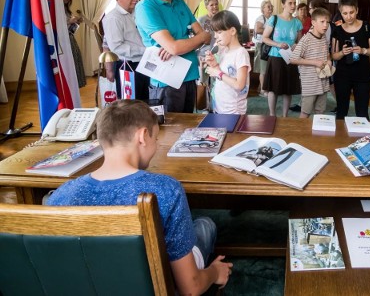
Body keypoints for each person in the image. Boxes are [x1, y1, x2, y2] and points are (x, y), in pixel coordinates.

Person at [46, 99, 233, 294]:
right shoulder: (166, 189)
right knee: (205, 225)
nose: (156, 144)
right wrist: (214, 272)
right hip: (153, 287)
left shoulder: (59, 197)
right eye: (156, 138)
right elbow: (190, 289)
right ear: (143, 136)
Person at [135, 0, 211, 113]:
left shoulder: (180, 2)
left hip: (190, 74)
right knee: (169, 132)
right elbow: (175, 47)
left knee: (187, 128)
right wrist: (192, 40)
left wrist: (187, 42)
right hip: (165, 80)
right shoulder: (146, 7)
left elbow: (206, 36)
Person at [330, 0, 370, 120]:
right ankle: (339, 138)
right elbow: (333, 55)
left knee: (362, 113)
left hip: (363, 75)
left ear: (357, 10)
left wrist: (363, 50)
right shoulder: (337, 30)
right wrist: (342, 52)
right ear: (341, 13)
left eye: (351, 12)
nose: (349, 16)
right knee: (341, 111)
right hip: (342, 75)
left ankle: (364, 138)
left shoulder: (367, 26)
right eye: (345, 13)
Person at [102, 0, 150, 101]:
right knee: (130, 105)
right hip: (128, 67)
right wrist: (145, 50)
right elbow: (116, 47)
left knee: (146, 102)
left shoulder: (137, 13)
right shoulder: (113, 18)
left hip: (144, 63)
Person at [262, 0, 303, 117]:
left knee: (288, 89)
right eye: (290, 3)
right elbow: (264, 38)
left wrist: (297, 45)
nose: (293, 5)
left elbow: (300, 42)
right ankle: (272, 115)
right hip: (275, 57)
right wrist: (278, 44)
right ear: (283, 4)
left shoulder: (297, 22)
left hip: (290, 58)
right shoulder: (274, 19)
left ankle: (285, 116)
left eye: (294, 3)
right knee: (273, 89)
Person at [203, 11, 251, 114]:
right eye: (215, 32)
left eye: (219, 32)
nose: (215, 36)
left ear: (232, 31)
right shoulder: (224, 51)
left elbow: (239, 85)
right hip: (221, 106)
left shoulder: (241, 53)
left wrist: (218, 73)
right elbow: (224, 75)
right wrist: (214, 65)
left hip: (234, 110)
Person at [290, 7, 332, 118]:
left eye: (327, 22)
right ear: (313, 22)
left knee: (320, 111)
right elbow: (293, 59)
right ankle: (300, 135)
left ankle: (317, 134)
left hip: (323, 81)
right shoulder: (306, 39)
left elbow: (326, 54)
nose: (325, 25)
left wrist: (328, 60)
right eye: (322, 22)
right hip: (310, 83)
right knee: (305, 112)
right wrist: (315, 62)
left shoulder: (323, 38)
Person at [61, 0, 86, 88]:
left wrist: (75, 23)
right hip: (61, 42)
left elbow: (69, 30)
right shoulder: (53, 9)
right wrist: (68, 21)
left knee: (75, 64)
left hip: (70, 40)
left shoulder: (65, 9)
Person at [253, 0, 274, 97]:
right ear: (263, 9)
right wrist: (270, 31)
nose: (270, 8)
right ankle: (262, 90)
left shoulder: (273, 18)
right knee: (263, 69)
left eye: (271, 6)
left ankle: (264, 87)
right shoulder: (261, 18)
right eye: (268, 6)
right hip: (262, 46)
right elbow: (258, 30)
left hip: (270, 45)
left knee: (268, 68)